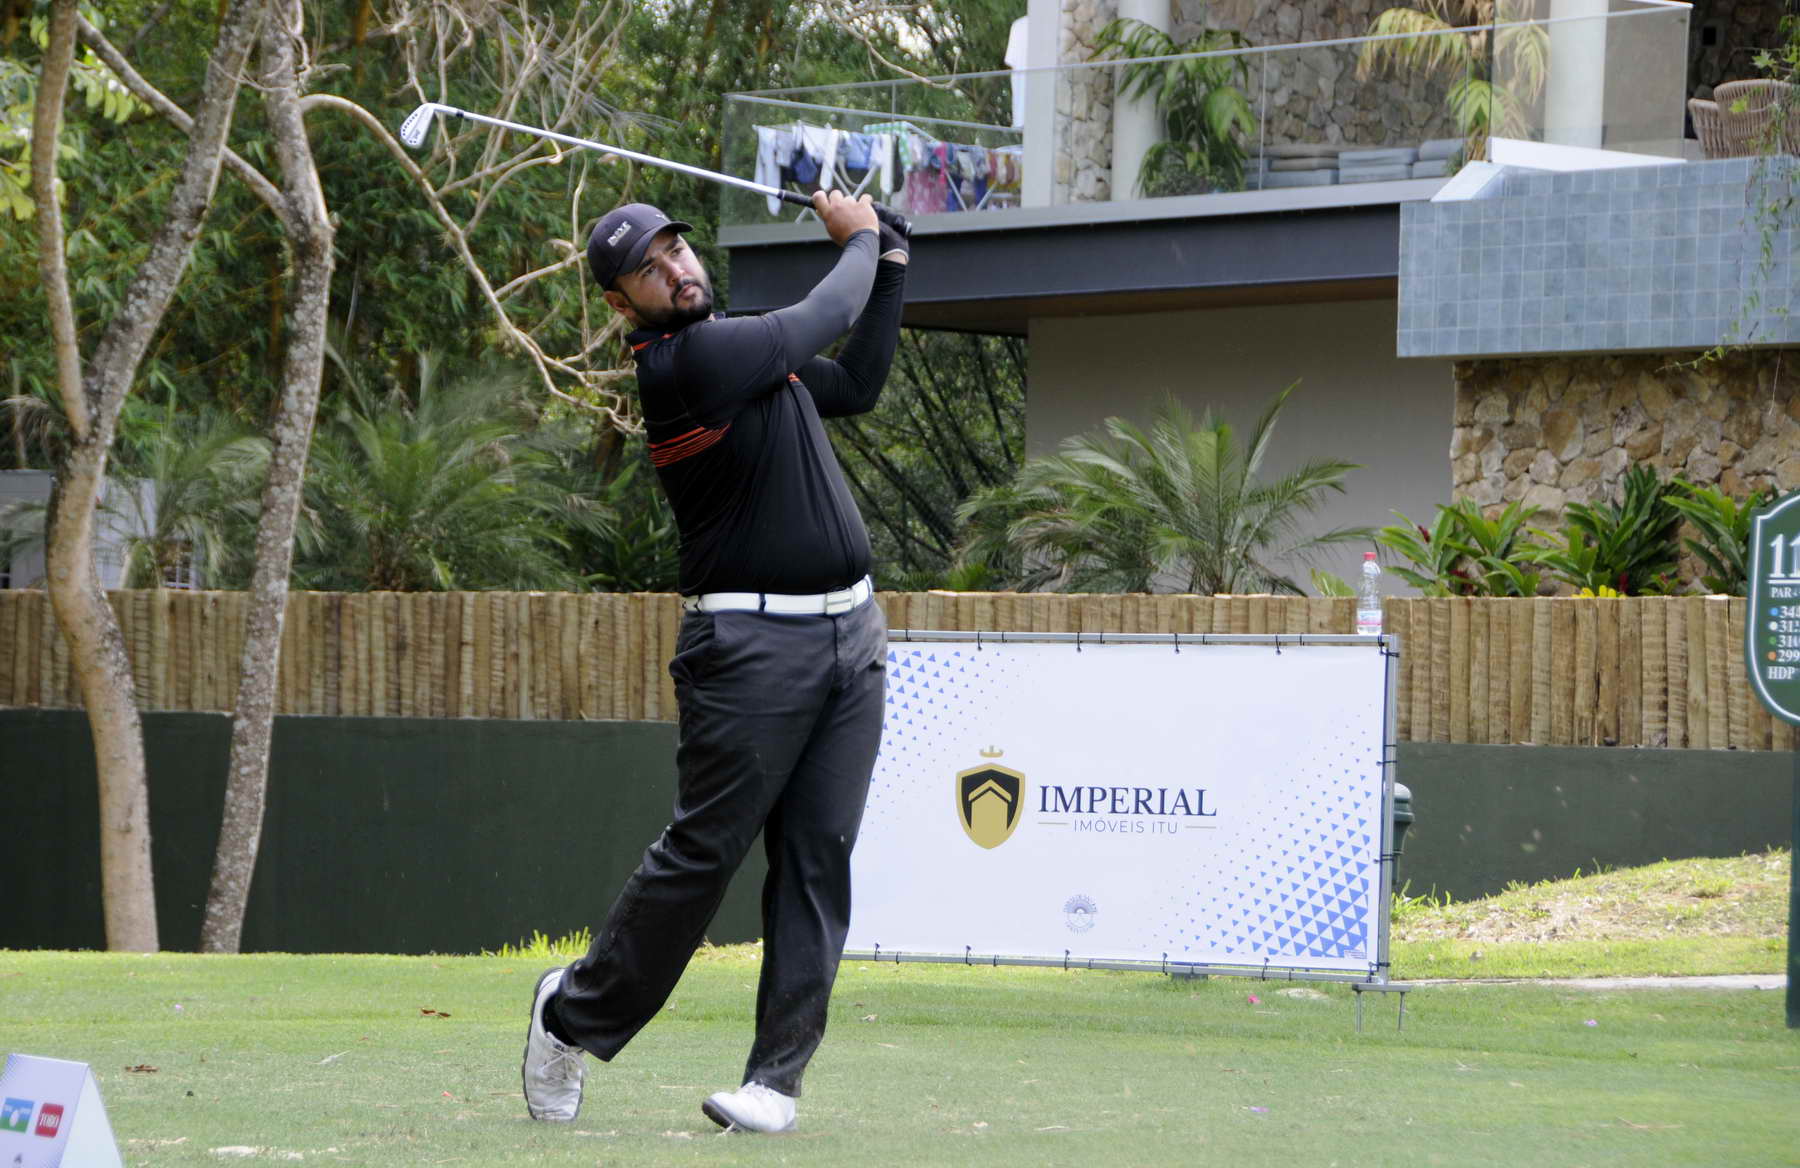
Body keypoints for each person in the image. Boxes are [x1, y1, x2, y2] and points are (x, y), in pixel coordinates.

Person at [519, 190, 910, 1134]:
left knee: (817, 858)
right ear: (623, 303)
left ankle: (775, 1083)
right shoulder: (687, 364)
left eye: (677, 250)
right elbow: (828, 310)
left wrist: (893, 263)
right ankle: (569, 1016)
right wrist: (862, 239)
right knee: (703, 860)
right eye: (649, 270)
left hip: (851, 638)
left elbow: (856, 383)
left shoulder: (746, 355)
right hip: (748, 649)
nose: (676, 270)